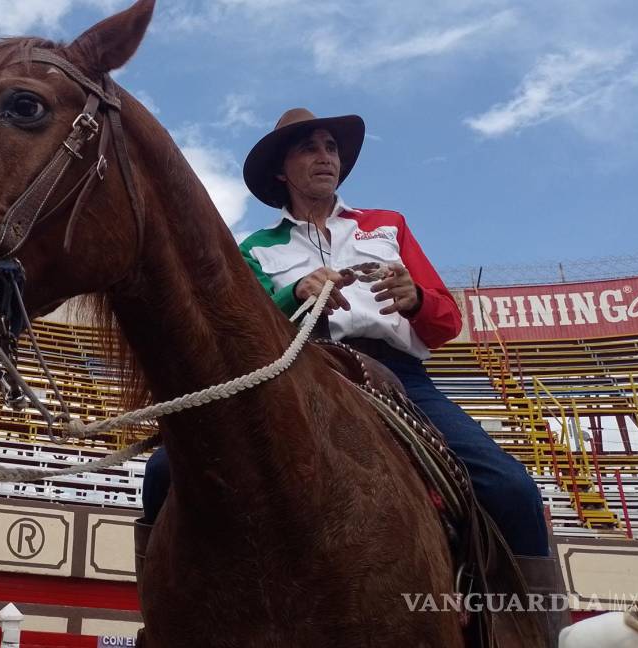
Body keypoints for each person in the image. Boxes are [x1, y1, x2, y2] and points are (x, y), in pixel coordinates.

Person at [141, 108, 549, 562]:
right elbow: (239, 334)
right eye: (309, 148)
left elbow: (447, 323)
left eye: (331, 148)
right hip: (297, 375)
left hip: (399, 379)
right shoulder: (256, 248)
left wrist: (414, 298)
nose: (325, 157)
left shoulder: (388, 225)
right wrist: (296, 293)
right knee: (163, 471)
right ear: (281, 169)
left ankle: (530, 621)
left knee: (512, 489)